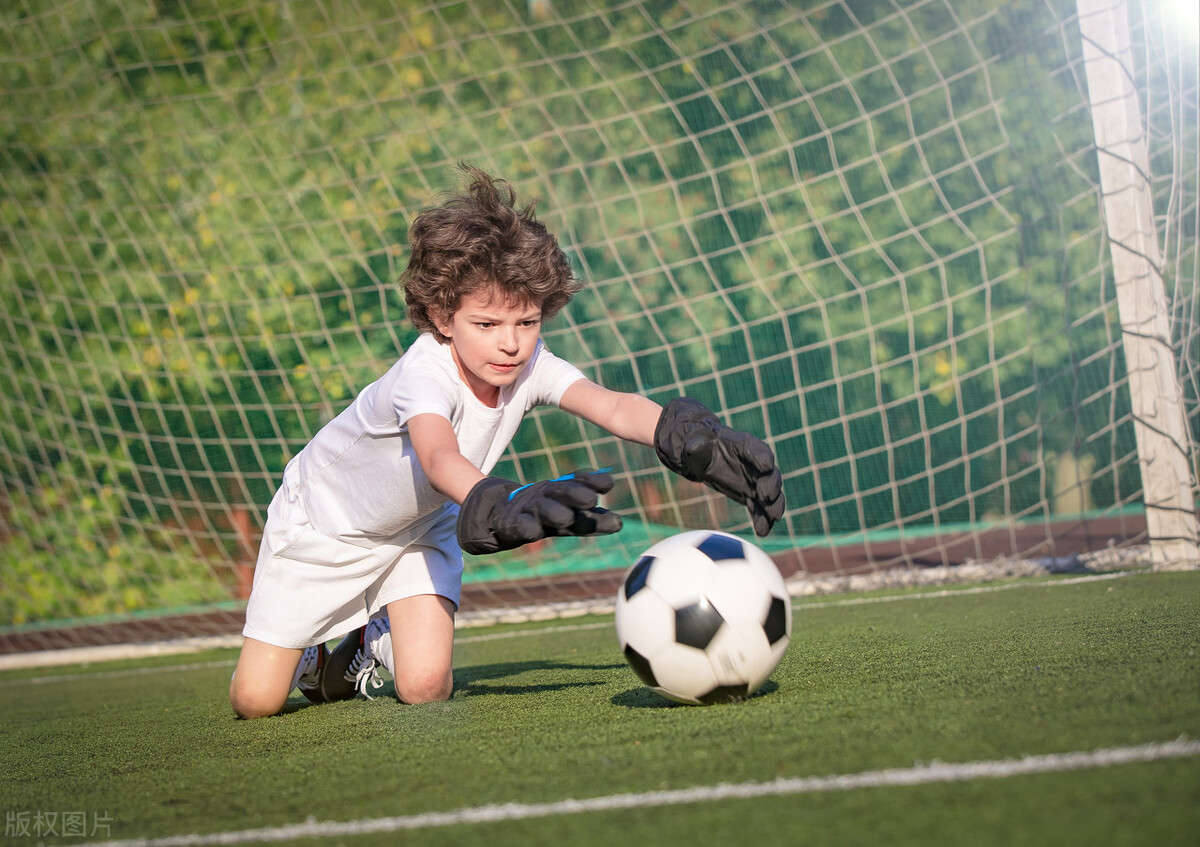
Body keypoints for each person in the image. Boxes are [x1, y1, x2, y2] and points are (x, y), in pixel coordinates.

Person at [228, 164, 785, 719]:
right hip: (325, 525)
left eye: (527, 322)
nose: (512, 344)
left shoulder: (527, 361)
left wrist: (685, 434)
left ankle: (372, 638)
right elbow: (438, 455)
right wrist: (500, 501)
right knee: (255, 702)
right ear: (443, 317)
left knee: (425, 687)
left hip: (422, 525)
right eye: (488, 324)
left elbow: (609, 404)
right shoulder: (424, 375)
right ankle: (318, 647)